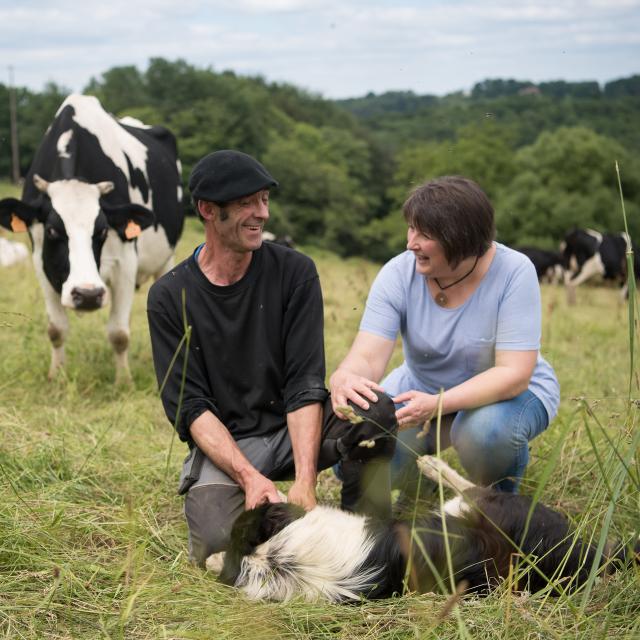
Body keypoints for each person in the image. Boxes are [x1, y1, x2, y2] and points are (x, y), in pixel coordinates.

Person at [147, 150, 397, 566]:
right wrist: (249, 477)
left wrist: (304, 481)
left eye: (264, 200)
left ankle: (367, 533)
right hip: (229, 441)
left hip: (295, 426)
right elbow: (189, 407)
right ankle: (279, 521)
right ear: (208, 210)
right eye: (246, 203)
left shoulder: (295, 272)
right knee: (216, 545)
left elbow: (304, 381)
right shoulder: (170, 296)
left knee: (373, 410)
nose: (261, 213)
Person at [330, 176, 559, 503]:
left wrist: (439, 405)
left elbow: (514, 373)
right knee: (358, 456)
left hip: (504, 395)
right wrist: (346, 376)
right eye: (411, 228)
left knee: (483, 435)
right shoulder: (398, 273)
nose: (411, 243)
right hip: (423, 388)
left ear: (461, 239)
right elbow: (368, 356)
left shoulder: (514, 271)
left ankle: (502, 508)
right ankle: (421, 487)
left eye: (424, 234)